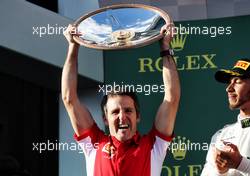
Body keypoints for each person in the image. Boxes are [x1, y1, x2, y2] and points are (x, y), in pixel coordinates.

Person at [61, 23, 180, 176]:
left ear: (138, 116)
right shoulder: (94, 143)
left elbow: (172, 98)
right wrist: (73, 46)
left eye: (128, 110)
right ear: (105, 119)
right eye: (115, 112)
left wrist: (165, 47)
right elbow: (68, 97)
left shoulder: (153, 146)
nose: (122, 116)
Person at [201, 59, 250, 176]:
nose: (229, 88)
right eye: (230, 82)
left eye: (237, 81)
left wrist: (241, 164)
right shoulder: (221, 136)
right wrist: (220, 171)